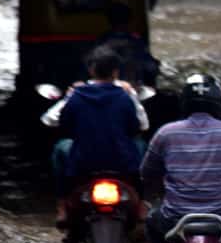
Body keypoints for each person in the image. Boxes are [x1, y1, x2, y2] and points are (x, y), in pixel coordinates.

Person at [141, 73, 221, 243]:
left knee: (151, 219)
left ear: (184, 102)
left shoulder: (165, 133)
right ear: (218, 102)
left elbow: (147, 174)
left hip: (174, 220)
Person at [52, 45, 150, 226]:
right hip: (122, 162)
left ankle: (62, 205)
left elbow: (56, 122)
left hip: (83, 162)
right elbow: (140, 126)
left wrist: (69, 96)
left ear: (91, 69)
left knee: (60, 148)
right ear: (115, 71)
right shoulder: (124, 95)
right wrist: (132, 95)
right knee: (142, 146)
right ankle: (142, 202)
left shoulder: (77, 95)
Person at [94, 1, 160, 86]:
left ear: (109, 20)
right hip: (133, 87)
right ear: (130, 20)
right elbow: (151, 67)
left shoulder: (101, 41)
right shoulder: (136, 42)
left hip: (107, 87)